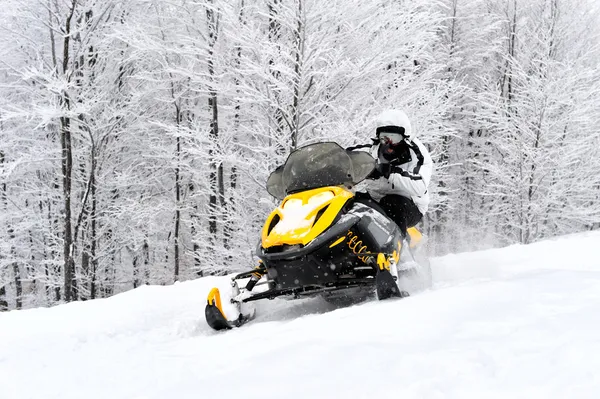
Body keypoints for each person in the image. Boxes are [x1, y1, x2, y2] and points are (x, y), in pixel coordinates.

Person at [353, 109, 433, 237]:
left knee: (393, 203)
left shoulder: (417, 154)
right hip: (376, 199)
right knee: (349, 201)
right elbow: (349, 157)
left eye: (394, 138)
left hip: (411, 204)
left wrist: (389, 172)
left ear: (404, 137)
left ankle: (399, 252)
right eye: (384, 138)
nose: (389, 143)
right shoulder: (372, 150)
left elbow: (420, 186)